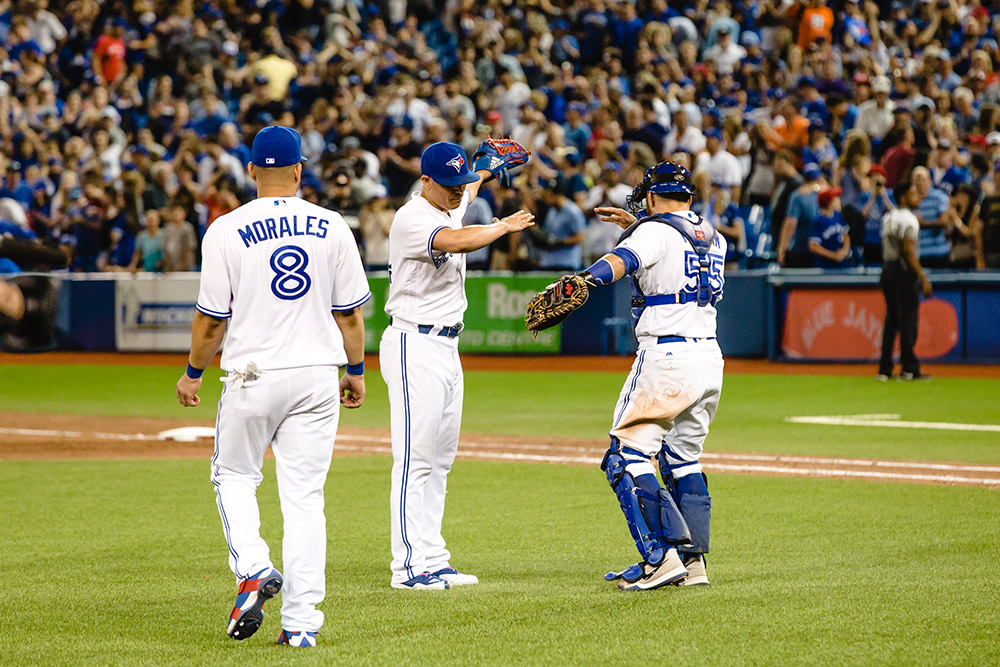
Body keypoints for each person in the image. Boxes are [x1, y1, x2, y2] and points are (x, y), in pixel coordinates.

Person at [176, 126, 371, 648]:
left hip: (252, 376)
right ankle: (302, 625)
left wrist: (193, 373)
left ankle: (254, 567)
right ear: (300, 171)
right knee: (305, 497)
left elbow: (211, 321)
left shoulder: (225, 228)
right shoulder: (332, 225)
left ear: (252, 170)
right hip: (317, 376)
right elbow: (349, 315)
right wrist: (356, 371)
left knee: (234, 475)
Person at [379, 141, 534, 590]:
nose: (456, 193)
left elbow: (472, 184)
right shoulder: (413, 217)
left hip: (446, 348)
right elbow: (459, 240)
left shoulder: (451, 196)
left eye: (459, 185)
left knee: (441, 460)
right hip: (414, 342)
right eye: (448, 185)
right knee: (415, 459)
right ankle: (408, 568)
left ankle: (432, 555)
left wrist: (483, 168)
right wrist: (502, 225)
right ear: (424, 181)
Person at [582, 161, 725, 590]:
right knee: (683, 458)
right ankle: (693, 562)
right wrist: (639, 225)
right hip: (709, 358)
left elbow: (622, 261)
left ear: (650, 196)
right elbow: (670, 244)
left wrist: (583, 281)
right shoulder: (713, 236)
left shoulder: (652, 232)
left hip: (667, 355)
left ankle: (659, 560)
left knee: (626, 455)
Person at [878, 179, 933, 382]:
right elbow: (909, 252)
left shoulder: (888, 217)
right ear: (902, 197)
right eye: (912, 193)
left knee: (891, 320)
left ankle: (884, 368)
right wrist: (922, 276)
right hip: (904, 271)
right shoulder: (910, 219)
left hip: (887, 270)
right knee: (908, 321)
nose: (917, 196)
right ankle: (909, 368)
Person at [808, 188, 852, 269]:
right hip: (825, 266)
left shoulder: (838, 215)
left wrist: (844, 251)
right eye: (835, 198)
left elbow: (846, 235)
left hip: (842, 265)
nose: (838, 200)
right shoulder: (819, 220)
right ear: (829, 202)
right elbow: (813, 246)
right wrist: (833, 255)